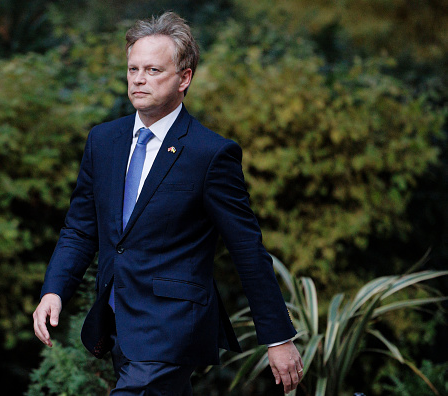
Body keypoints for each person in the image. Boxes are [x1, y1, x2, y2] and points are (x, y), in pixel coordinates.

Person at [33, 11, 303, 395]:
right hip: (116, 322)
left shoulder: (210, 154)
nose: (139, 79)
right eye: (133, 69)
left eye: (154, 70)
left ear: (184, 78)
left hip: (172, 327)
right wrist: (54, 290)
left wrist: (277, 337)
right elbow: (80, 227)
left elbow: (246, 248)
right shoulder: (103, 141)